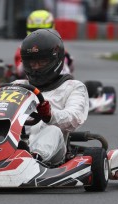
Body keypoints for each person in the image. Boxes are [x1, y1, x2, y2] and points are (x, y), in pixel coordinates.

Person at [16, 29, 89, 166]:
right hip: (14, 141)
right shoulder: (17, 86)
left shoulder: (73, 87)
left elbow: (75, 117)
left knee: (52, 130)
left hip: (54, 151)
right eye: (32, 63)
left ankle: (32, 160)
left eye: (42, 62)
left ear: (56, 60)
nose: (36, 68)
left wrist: (50, 116)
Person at [14, 10, 74, 78]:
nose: (39, 34)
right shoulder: (23, 48)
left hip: (55, 80)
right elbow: (20, 70)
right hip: (30, 81)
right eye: (35, 30)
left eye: (43, 30)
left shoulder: (56, 47)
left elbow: (70, 64)